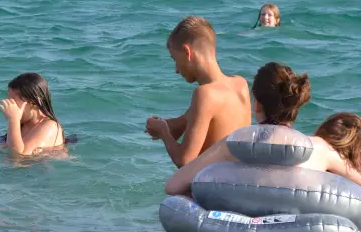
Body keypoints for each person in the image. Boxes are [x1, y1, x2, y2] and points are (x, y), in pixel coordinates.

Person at [165, 63, 361, 194]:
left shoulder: (234, 144)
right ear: (296, 107)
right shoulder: (319, 149)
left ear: (256, 105)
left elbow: (173, 186)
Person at [146, 16, 251, 167]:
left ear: (187, 52)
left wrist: (163, 132)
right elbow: (187, 122)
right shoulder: (240, 84)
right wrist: (161, 125)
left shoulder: (205, 94)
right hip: (238, 182)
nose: (176, 69)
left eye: (175, 59)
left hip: (213, 185)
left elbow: (184, 160)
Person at [0, 72, 64, 156]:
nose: (10, 106)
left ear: (33, 101)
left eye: (13, 101)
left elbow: (18, 157)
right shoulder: (23, 126)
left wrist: (13, 120)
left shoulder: (50, 126)